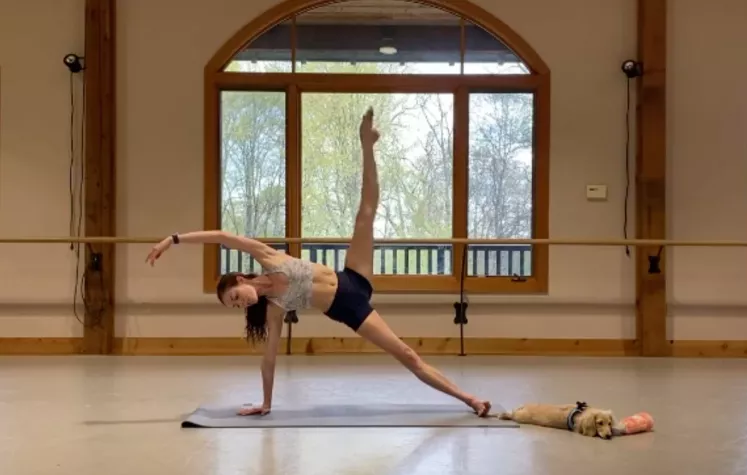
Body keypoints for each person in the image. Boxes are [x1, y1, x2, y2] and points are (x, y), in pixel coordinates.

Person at [146, 108, 491, 418]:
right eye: (235, 306)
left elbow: (222, 235)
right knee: (407, 355)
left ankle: (367, 145)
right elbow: (269, 359)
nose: (241, 303)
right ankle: (471, 400)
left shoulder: (267, 258)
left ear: (240, 278)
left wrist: (173, 240)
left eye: (235, 296)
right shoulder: (274, 308)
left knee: (365, 214)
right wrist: (265, 403)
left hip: (352, 277)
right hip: (349, 309)